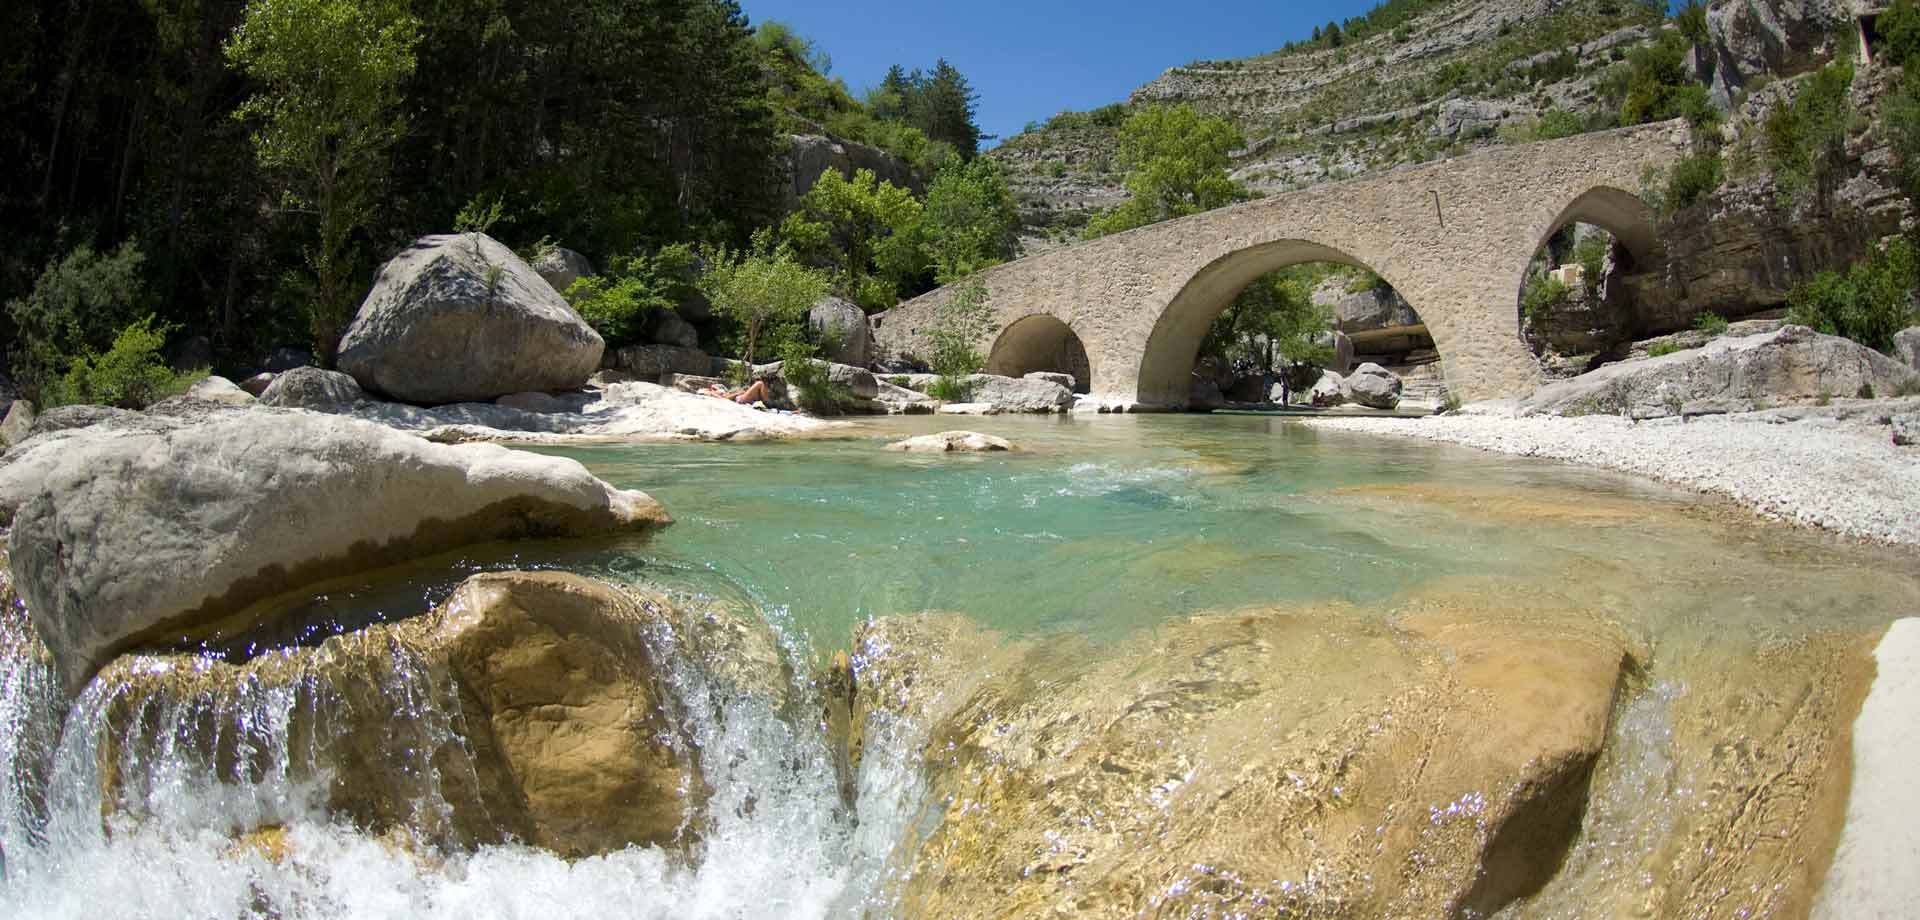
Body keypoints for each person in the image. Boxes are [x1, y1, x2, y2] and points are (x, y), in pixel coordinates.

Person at [703, 379, 771, 406]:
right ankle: (767, 403)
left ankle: (767, 402)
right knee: (759, 383)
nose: (714, 387)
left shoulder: (718, 390)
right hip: (739, 399)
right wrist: (737, 393)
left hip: (741, 396)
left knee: (761, 387)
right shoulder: (712, 393)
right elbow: (724, 399)